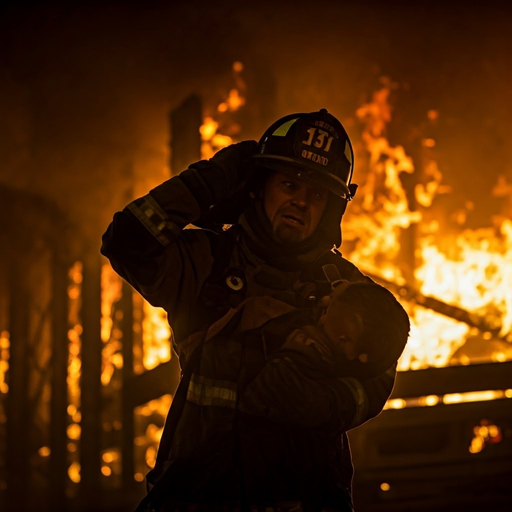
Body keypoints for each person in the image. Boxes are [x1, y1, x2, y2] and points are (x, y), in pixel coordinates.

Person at [101, 109, 410, 512]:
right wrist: (205, 183)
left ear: (331, 209)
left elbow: (380, 371)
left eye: (316, 194)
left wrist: (323, 403)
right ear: (259, 186)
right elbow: (126, 241)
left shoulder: (343, 289)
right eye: (289, 184)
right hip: (199, 496)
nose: (300, 201)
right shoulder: (208, 264)